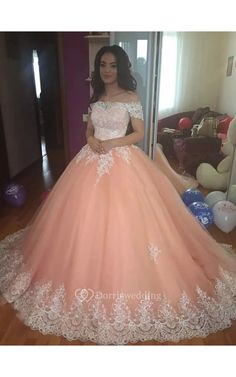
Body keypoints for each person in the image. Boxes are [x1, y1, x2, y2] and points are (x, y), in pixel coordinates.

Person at [0, 45, 236, 346]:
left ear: (120, 68)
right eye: (103, 65)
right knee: (80, 219)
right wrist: (91, 140)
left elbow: (138, 133)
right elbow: (88, 130)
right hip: (90, 160)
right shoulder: (97, 97)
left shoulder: (131, 98)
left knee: (129, 221)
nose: (107, 70)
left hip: (122, 160)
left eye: (112, 65)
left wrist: (111, 145)